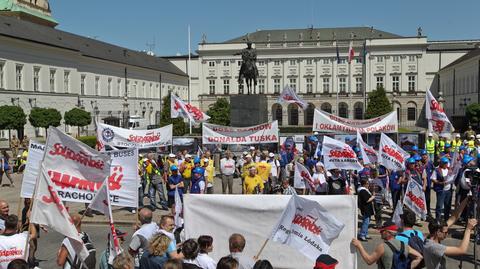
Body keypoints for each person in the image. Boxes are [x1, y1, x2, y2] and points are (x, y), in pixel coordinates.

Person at [351, 220, 423, 269]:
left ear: (388, 232)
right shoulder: (404, 244)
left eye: (382, 231)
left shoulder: (383, 247)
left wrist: (359, 246)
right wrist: (409, 267)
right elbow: (419, 257)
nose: (380, 232)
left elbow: (369, 260)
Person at [431, 157, 453, 221]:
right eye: (445, 163)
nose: (446, 165)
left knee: (447, 205)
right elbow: (433, 179)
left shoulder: (449, 169)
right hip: (441, 190)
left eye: (447, 163)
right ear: (441, 163)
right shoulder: (437, 170)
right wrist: (440, 183)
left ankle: (446, 219)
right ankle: (438, 219)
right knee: (439, 206)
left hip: (448, 190)